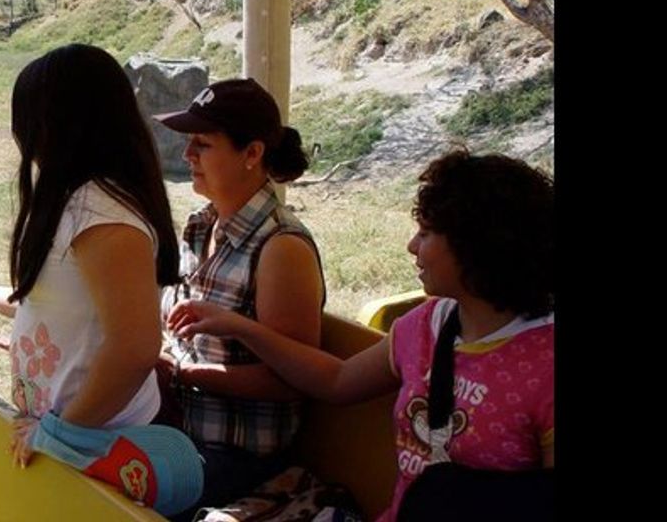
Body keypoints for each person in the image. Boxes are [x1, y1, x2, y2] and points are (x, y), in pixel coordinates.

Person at [168, 150, 554, 522]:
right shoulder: (427, 325)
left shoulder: (546, 365)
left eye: (428, 232)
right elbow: (336, 381)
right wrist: (239, 326)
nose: (412, 246)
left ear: (480, 246)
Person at [0, 43, 183, 468]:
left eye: (27, 120)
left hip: (101, 443)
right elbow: (56, 303)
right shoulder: (78, 202)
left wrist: (59, 432)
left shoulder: (102, 216)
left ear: (60, 125)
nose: (20, 135)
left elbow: (135, 347)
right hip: (75, 434)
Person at [152, 78, 326, 517]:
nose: (188, 155)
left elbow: (292, 379)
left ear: (252, 154)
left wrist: (188, 375)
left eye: (203, 144)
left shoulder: (281, 248)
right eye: (190, 142)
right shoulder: (199, 225)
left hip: (239, 459)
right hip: (179, 435)